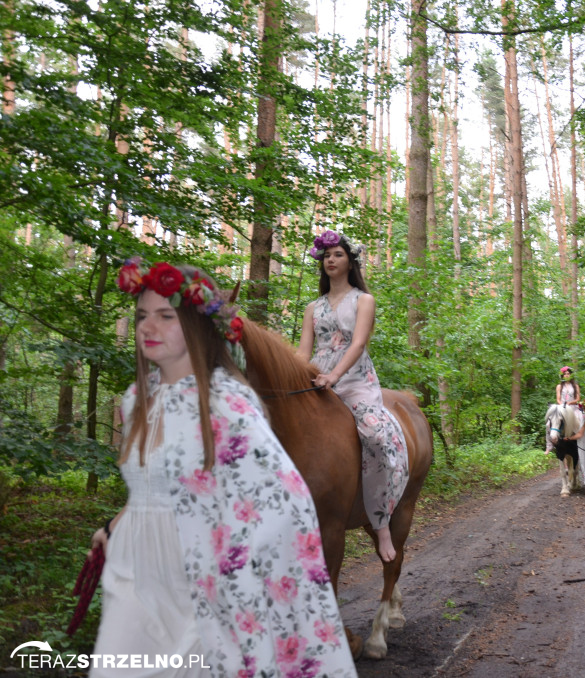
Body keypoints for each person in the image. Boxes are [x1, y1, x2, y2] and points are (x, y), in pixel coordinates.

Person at [93, 259, 356, 678]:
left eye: (166, 316)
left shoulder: (228, 404)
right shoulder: (135, 400)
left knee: (377, 436)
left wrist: (235, 567)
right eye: (142, 315)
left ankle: (382, 517)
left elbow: (284, 501)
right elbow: (157, 484)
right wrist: (117, 526)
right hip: (134, 576)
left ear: (198, 326)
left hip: (200, 578)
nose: (147, 327)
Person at [297, 228, 409, 563]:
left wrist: (335, 375)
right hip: (317, 379)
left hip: (355, 381)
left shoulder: (364, 300)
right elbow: (303, 353)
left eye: (338, 255)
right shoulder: (312, 307)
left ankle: (381, 520)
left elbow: (358, 343)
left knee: (376, 434)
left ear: (350, 261)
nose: (331, 260)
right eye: (327, 256)